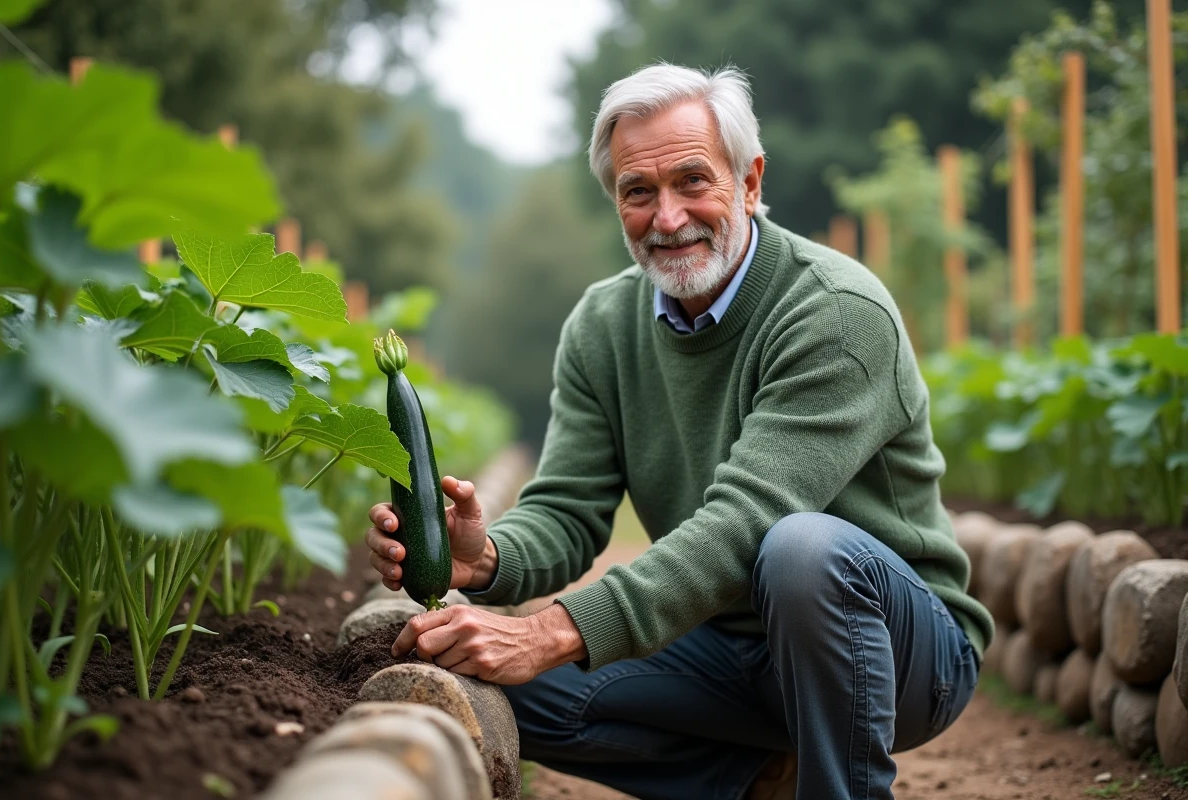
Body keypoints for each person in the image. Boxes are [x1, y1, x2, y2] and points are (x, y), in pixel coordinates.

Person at [365, 63, 991, 800]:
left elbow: (745, 524)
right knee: (482, 685)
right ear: (616, 202)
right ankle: (762, 778)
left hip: (897, 654)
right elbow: (568, 509)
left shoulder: (837, 311)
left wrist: (547, 633)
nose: (667, 218)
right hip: (725, 651)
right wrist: (485, 556)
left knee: (799, 548)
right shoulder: (602, 325)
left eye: (693, 181)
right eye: (639, 191)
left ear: (750, 182)